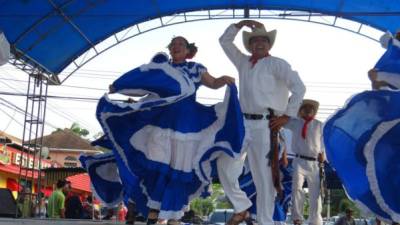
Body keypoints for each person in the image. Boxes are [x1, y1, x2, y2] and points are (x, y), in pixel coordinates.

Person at [83, 35, 244, 225]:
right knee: (158, 168)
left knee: (179, 170)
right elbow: (142, 79)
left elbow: (213, 83)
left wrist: (223, 80)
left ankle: (174, 215)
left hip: (188, 127)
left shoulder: (195, 68)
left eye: (181, 44)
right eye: (173, 44)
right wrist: (119, 86)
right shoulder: (161, 69)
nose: (176, 46)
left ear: (188, 51)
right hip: (161, 124)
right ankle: (154, 209)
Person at [218, 19, 306, 225]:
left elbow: (299, 87)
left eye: (263, 41)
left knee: (264, 177)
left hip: (267, 126)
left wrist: (287, 115)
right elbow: (224, 42)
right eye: (254, 41)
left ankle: (266, 221)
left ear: (269, 44)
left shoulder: (278, 64)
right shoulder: (243, 62)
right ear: (249, 45)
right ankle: (242, 207)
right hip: (243, 124)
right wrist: (240, 24)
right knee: (225, 164)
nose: (258, 43)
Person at [284, 99, 324, 225]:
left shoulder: (319, 125)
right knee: (296, 189)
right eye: (305, 108)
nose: (308, 110)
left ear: (314, 112)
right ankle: (297, 218)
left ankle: (315, 220)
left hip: (314, 163)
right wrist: (290, 103)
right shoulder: (294, 123)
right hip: (299, 160)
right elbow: (282, 118)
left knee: (315, 193)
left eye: (311, 108)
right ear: (300, 111)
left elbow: (324, 142)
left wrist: (324, 155)